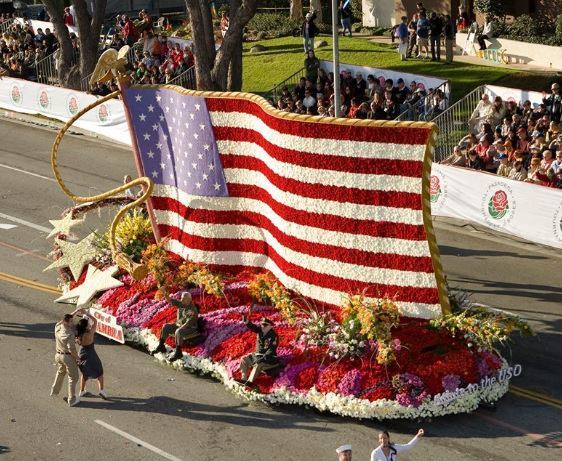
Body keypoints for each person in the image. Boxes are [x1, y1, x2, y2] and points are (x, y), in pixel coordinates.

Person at [151, 289, 200, 361]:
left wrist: (179, 328)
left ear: (189, 299)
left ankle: (178, 352)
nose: (181, 299)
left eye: (184, 298)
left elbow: (189, 323)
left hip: (190, 328)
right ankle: (161, 346)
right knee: (166, 326)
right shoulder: (181, 304)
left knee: (178, 331)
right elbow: (171, 301)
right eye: (181, 298)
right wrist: (166, 295)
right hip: (179, 325)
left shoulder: (192, 309)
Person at [50, 310, 82, 407]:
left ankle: (54, 391)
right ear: (66, 322)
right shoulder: (70, 334)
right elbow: (71, 349)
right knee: (73, 377)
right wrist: (77, 358)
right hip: (67, 357)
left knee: (60, 372)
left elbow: (63, 319)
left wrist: (75, 312)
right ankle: (72, 399)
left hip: (58, 355)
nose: (72, 323)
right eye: (71, 321)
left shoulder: (57, 327)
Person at [75, 309, 108, 400]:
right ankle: (101, 390)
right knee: (99, 372)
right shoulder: (90, 333)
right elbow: (95, 321)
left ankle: (81, 391)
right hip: (91, 354)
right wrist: (86, 313)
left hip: (82, 353)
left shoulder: (79, 335)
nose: (89, 324)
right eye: (87, 324)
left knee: (84, 374)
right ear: (86, 327)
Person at [238, 312, 279, 383]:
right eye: (262, 324)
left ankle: (250, 382)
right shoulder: (260, 330)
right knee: (244, 359)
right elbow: (253, 327)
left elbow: (271, 350)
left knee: (258, 364)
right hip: (258, 355)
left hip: (269, 358)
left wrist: (262, 358)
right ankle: (244, 378)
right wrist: (246, 322)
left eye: (265, 325)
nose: (262, 326)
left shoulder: (273, 336)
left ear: (271, 326)